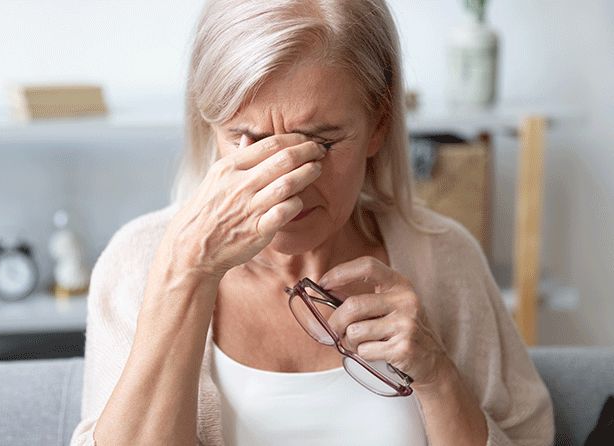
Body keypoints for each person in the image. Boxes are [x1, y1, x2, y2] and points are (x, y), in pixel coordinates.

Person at [71, 1, 555, 445]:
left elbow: (529, 437)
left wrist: (438, 376)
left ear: (379, 123)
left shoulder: (444, 257)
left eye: (321, 143)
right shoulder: (139, 260)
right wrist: (186, 274)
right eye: (248, 139)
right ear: (208, 124)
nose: (287, 186)